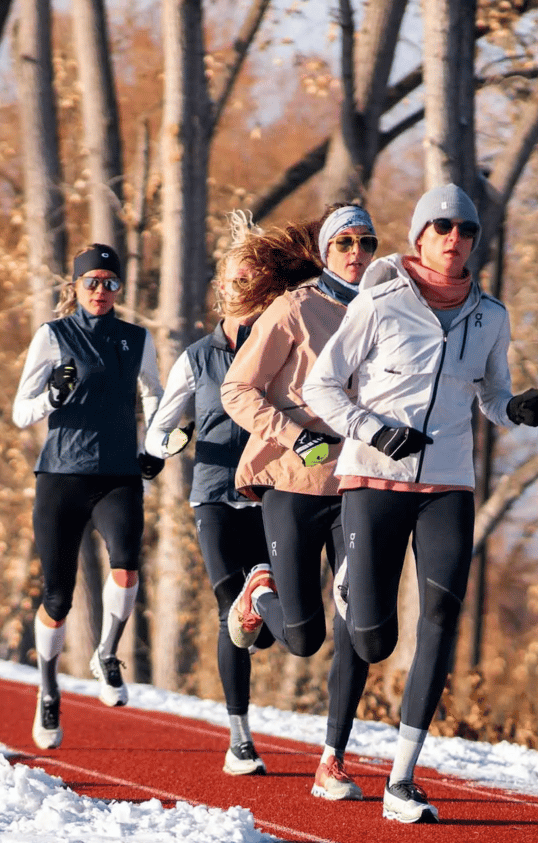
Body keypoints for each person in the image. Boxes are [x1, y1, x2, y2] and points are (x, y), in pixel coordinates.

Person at [302, 184, 538, 823]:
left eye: (464, 229)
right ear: (418, 238)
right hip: (372, 479)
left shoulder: (490, 315)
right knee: (373, 639)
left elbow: (491, 396)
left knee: (440, 612)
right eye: (441, 227)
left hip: (446, 484)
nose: (453, 238)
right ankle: (334, 744)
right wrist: (371, 428)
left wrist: (514, 409)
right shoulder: (380, 304)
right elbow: (320, 386)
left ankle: (403, 778)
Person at [221, 204, 378, 802]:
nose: (357, 253)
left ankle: (332, 760)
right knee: (306, 637)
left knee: (358, 617)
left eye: (367, 242)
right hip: (292, 477)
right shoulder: (295, 309)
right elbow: (237, 388)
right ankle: (261, 592)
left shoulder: (385, 311)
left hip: (360, 480)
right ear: (326, 251)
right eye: (345, 243)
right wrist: (294, 435)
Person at [140, 212, 292, 776]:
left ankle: (264, 610)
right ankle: (240, 739)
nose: (239, 290)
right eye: (231, 282)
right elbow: (161, 426)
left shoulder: (285, 348)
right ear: (220, 292)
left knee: (275, 625)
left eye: (250, 280)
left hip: (272, 495)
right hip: (213, 497)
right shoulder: (197, 357)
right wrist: (169, 440)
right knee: (234, 612)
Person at [12, 243, 164, 750]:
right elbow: (20, 413)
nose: (101, 291)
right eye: (92, 282)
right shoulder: (53, 336)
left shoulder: (137, 339)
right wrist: (53, 395)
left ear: (121, 288)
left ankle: (106, 653)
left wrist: (155, 446)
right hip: (61, 476)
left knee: (126, 563)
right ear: (74, 288)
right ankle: (49, 688)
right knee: (57, 596)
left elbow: (155, 395)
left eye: (110, 282)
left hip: (118, 473)